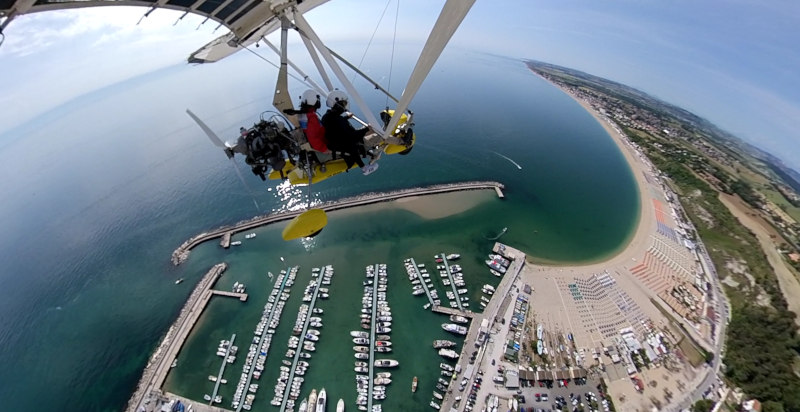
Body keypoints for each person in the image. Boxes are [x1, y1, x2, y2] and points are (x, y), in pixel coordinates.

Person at [321, 90, 379, 176]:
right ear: (338, 105)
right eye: (343, 104)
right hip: (341, 144)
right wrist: (366, 129)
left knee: (355, 136)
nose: (344, 107)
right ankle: (364, 168)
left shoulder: (327, 116)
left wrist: (346, 117)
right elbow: (352, 136)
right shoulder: (338, 120)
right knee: (352, 144)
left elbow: (335, 122)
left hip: (333, 140)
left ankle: (368, 152)